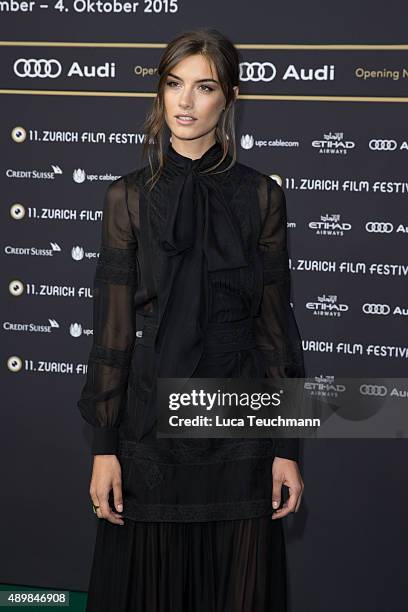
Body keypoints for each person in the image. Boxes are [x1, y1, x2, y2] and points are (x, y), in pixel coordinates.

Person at [77, 27, 305, 612]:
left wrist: (286, 448)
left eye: (203, 87)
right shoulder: (125, 197)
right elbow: (113, 332)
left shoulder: (261, 196)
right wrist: (105, 447)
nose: (185, 101)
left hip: (239, 428)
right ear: (159, 93)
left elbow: (276, 330)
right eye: (174, 84)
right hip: (148, 427)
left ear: (228, 97)